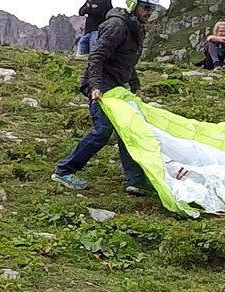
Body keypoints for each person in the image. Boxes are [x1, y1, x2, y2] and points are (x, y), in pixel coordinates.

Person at [51, 0, 164, 194]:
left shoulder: (136, 26)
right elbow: (96, 56)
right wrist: (95, 86)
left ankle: (135, 181)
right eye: (146, 7)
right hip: (100, 84)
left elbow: (126, 61)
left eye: (152, 8)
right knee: (102, 130)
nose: (149, 12)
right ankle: (64, 171)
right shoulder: (117, 25)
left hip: (116, 85)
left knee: (126, 130)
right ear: (134, 5)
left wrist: (135, 85)